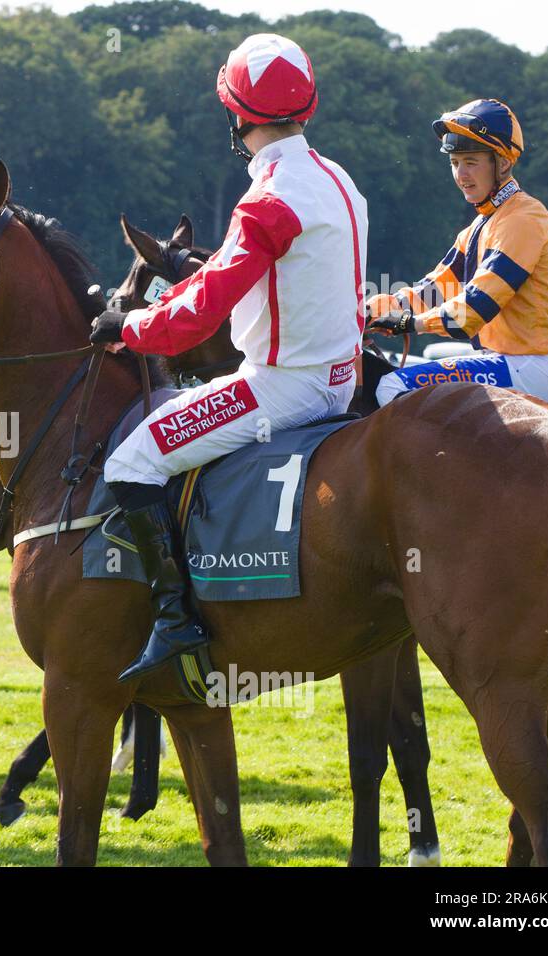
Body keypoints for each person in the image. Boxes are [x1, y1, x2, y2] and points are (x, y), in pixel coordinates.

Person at [89, 33, 367, 683]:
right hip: (345, 380)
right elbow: (215, 272)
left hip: (281, 387)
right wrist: (139, 314)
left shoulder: (269, 193)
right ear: (307, 106)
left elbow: (206, 309)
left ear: (236, 116)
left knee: (131, 460)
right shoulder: (338, 180)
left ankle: (174, 620)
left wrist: (130, 331)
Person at [367, 99, 548, 406]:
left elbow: (470, 313)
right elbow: (432, 292)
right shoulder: (480, 226)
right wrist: (369, 311)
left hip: (532, 369)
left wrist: (407, 324)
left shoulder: (523, 220)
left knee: (391, 387)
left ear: (502, 163)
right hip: (505, 360)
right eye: (454, 163)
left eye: (471, 162)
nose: (461, 174)